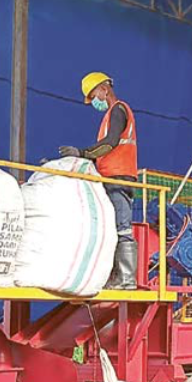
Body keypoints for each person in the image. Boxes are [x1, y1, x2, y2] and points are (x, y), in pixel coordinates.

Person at [60, 72, 139, 291]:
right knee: (112, 229)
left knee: (122, 228)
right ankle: (116, 277)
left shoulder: (119, 110)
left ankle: (126, 278)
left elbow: (110, 143)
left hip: (119, 178)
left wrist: (82, 153)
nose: (95, 101)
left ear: (105, 89)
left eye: (94, 95)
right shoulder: (109, 116)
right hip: (110, 177)